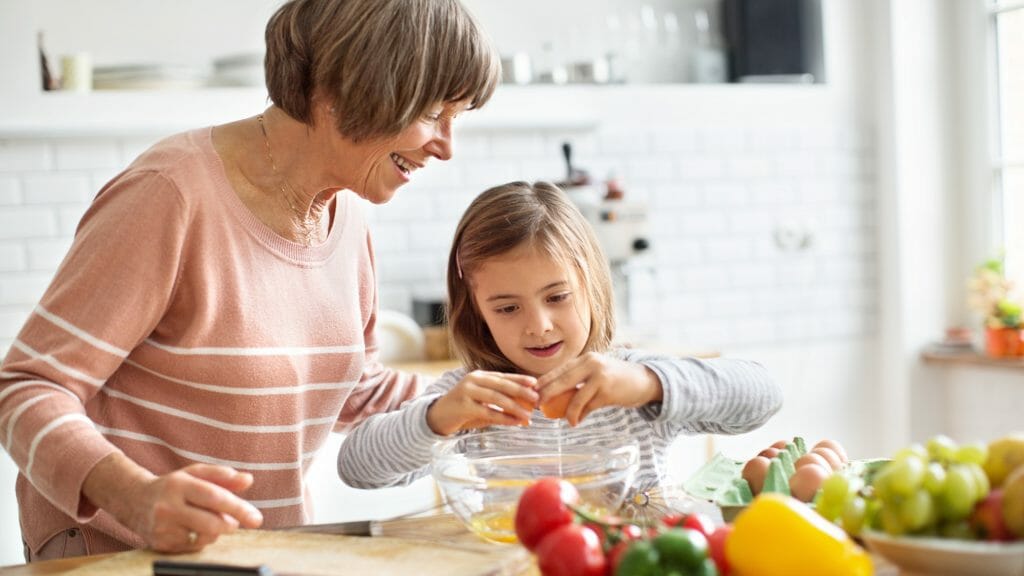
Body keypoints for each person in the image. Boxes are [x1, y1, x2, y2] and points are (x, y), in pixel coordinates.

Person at [0, 0, 500, 561]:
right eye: (434, 113)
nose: (447, 146)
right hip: (119, 551)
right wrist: (134, 496)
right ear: (350, 89)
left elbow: (354, 391)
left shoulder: (346, 214)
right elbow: (25, 388)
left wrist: (494, 394)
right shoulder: (171, 193)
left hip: (260, 553)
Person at [337, 181, 783, 495]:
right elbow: (356, 468)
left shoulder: (630, 383)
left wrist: (649, 384)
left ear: (591, 286)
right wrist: (436, 419)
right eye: (507, 308)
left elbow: (763, 395)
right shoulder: (471, 397)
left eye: (558, 297)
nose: (539, 325)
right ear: (477, 313)